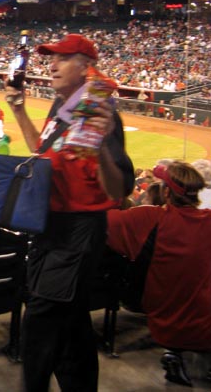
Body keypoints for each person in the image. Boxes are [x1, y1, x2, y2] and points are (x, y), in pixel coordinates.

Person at [4, 33, 134, 392]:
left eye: (62, 58)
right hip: (48, 227)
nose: (52, 65)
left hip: (78, 230)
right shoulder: (60, 107)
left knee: (41, 319)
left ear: (86, 67)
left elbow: (118, 190)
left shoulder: (100, 114)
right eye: (51, 58)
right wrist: (18, 110)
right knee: (72, 325)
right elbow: (41, 149)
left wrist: (101, 146)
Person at [106, 161, 211, 387]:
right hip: (203, 320)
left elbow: (104, 221)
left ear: (166, 192)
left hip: (159, 313)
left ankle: (174, 353)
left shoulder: (149, 218)